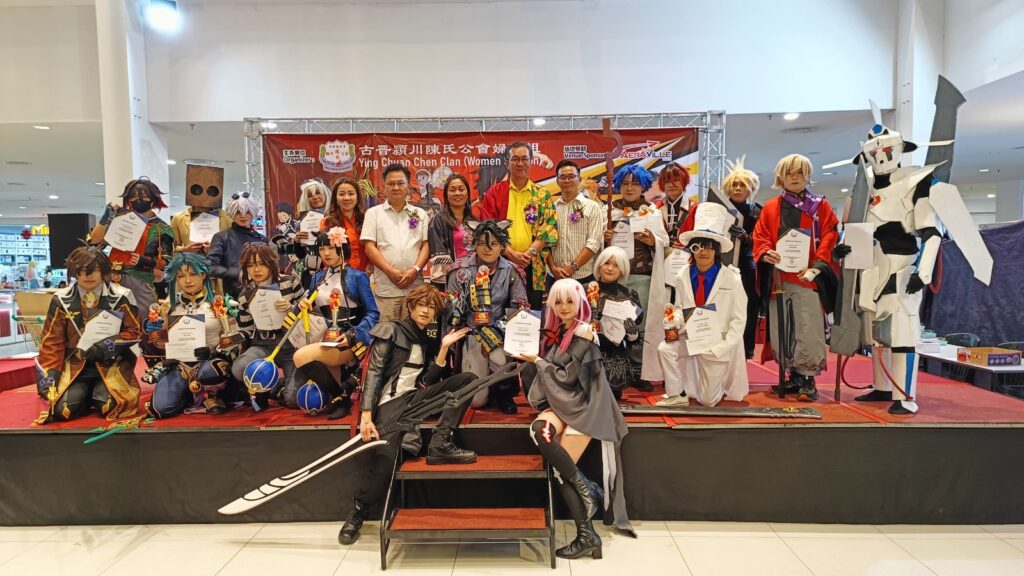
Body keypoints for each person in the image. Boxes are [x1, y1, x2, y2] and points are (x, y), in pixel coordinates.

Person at [338, 285, 478, 545]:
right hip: (390, 404)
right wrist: (366, 416)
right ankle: (358, 512)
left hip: (414, 400)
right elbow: (374, 373)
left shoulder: (427, 338)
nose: (426, 310)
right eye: (421, 305)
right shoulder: (391, 331)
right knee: (385, 459)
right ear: (411, 306)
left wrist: (444, 348)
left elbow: (425, 382)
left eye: (431, 307)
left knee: (468, 380)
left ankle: (441, 441)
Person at [516, 278, 634, 560]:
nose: (564, 307)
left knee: (560, 470)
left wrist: (537, 362)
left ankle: (587, 536)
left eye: (570, 301)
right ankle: (587, 488)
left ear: (580, 302)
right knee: (539, 429)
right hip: (566, 403)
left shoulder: (583, 333)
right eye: (558, 301)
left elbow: (567, 378)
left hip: (587, 407)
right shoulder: (563, 330)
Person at [752, 154, 839, 402]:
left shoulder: (820, 207)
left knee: (807, 327)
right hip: (779, 278)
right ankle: (793, 375)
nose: (794, 177)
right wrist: (764, 252)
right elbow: (761, 235)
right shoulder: (771, 207)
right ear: (781, 177)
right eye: (789, 173)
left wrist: (816, 266)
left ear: (807, 176)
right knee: (783, 328)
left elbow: (830, 235)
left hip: (807, 278)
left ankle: (807, 379)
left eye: (799, 172)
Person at [658, 202, 749, 407]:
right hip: (691, 337)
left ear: (717, 250)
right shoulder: (683, 275)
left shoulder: (732, 279)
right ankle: (677, 393)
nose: (703, 252)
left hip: (716, 344)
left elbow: (739, 320)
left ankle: (717, 385)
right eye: (697, 247)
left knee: (708, 401)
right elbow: (680, 307)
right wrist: (674, 319)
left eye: (709, 247)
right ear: (692, 250)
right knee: (665, 349)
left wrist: (721, 348)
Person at [35, 247, 141, 423]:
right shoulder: (61, 299)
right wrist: (50, 377)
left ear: (104, 271)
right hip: (75, 367)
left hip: (111, 365)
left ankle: (95, 396)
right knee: (63, 412)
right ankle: (86, 397)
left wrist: (106, 346)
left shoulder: (121, 296)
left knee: (110, 407)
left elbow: (135, 332)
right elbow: (52, 341)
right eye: (82, 270)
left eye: (95, 269)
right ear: (74, 271)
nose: (88, 275)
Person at [287, 228, 379, 418]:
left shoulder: (357, 277)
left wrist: (354, 334)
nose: (326, 253)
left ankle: (341, 397)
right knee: (307, 400)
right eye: (321, 249)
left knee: (300, 357)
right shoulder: (317, 278)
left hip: (347, 340)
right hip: (321, 336)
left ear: (341, 248)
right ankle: (340, 393)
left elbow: (373, 313)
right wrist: (302, 305)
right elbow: (306, 309)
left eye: (330, 247)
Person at [445, 220, 528, 413]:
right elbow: (451, 310)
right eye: (482, 243)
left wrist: (496, 333)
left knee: (499, 357)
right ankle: (483, 386)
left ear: (502, 246)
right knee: (476, 401)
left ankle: (503, 391)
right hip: (471, 332)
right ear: (474, 244)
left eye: (494, 243)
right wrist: (463, 304)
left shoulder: (513, 271)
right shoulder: (459, 270)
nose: (488, 248)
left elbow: (520, 309)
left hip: (500, 332)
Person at [144, 252, 240, 417]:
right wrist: (154, 331)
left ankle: (215, 395)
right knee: (161, 409)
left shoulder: (219, 303)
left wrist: (214, 350)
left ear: (203, 275)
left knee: (209, 371)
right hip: (180, 365)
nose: (187, 281)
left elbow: (237, 338)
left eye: (193, 274)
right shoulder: (168, 306)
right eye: (181, 276)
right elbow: (161, 343)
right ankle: (189, 395)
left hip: (212, 362)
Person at [603, 164, 671, 389]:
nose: (629, 188)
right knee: (613, 323)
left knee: (638, 325)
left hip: (641, 276)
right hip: (614, 277)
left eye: (635, 183)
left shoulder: (651, 212)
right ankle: (615, 370)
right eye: (625, 183)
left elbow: (664, 242)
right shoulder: (609, 211)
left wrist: (653, 241)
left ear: (643, 186)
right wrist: (605, 237)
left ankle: (638, 371)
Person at [476, 141, 558, 309]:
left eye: (524, 159)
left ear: (531, 161)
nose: (520, 163)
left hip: (533, 264)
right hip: (502, 262)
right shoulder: (495, 192)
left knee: (531, 313)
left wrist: (529, 253)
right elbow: (488, 226)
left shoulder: (542, 194)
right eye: (515, 159)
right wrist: (509, 252)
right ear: (507, 163)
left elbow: (549, 227)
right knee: (501, 310)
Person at [231, 243, 305, 409]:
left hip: (290, 345)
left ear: (271, 263)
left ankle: (278, 387)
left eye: (261, 264)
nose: (256, 269)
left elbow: (310, 310)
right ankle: (264, 388)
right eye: (251, 265)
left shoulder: (290, 282)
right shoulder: (245, 295)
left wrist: (292, 308)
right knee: (240, 368)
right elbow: (246, 329)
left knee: (293, 400)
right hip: (262, 345)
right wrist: (230, 339)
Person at [90, 177, 175, 318]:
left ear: (153, 199)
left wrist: (144, 261)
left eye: (144, 196)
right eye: (133, 196)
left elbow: (167, 261)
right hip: (111, 277)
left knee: (145, 320)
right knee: (108, 320)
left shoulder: (162, 228)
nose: (138, 200)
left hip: (141, 279)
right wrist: (105, 218)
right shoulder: (119, 219)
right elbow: (94, 241)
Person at [361, 163, 429, 322]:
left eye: (400, 183)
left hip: (414, 289)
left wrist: (415, 269)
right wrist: (390, 271)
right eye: (391, 184)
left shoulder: (420, 213)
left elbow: (426, 245)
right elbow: (369, 247)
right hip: (386, 289)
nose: (396, 188)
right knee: (386, 333)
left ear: (408, 185)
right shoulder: (373, 214)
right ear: (384, 187)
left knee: (414, 332)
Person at [718, 156, 764, 359]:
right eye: (734, 184)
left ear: (750, 189)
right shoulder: (720, 210)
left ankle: (745, 350)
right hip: (721, 263)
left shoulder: (757, 212)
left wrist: (747, 238)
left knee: (747, 306)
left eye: (742, 185)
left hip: (747, 266)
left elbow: (764, 240)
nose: (737, 188)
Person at [586, 247, 645, 400]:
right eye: (606, 263)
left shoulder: (628, 295)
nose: (610, 268)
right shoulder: (584, 290)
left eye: (616, 265)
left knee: (612, 400)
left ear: (623, 270)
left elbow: (634, 339)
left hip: (615, 358)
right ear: (599, 264)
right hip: (587, 354)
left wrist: (633, 335)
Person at [548, 160, 605, 285]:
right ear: (557, 181)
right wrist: (552, 268)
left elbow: (594, 242)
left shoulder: (592, 207)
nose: (567, 180)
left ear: (579, 179)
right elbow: (545, 242)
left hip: (583, 276)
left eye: (571, 176)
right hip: (555, 276)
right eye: (563, 177)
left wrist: (573, 267)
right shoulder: (551, 208)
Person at [208, 192, 267, 298]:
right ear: (232, 213)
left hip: (264, 294)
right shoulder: (221, 237)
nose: (243, 216)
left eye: (247, 211)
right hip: (234, 297)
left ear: (253, 212)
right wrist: (238, 273)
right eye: (238, 212)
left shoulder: (262, 240)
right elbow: (210, 267)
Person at [427, 173, 477, 288]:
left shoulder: (474, 222)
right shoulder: (437, 221)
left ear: (468, 194)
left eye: (461, 189)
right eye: (452, 190)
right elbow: (439, 257)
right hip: (450, 282)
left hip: (474, 280)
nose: (457, 193)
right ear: (446, 194)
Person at [170, 164, 232, 254]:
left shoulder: (227, 218)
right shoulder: (178, 218)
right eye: (198, 190)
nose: (203, 196)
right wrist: (184, 249)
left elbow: (232, 247)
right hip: (189, 261)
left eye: (210, 191)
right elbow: (170, 247)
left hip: (216, 261)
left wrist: (216, 249)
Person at [285, 178, 333, 290]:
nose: (315, 197)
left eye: (318, 193)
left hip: (330, 274)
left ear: (325, 194)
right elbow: (301, 255)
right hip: (309, 276)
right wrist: (297, 241)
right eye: (310, 195)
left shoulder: (335, 218)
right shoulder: (302, 222)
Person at [322, 177, 368, 271]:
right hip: (340, 275)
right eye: (341, 194)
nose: (346, 198)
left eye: (351, 193)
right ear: (336, 198)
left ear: (357, 197)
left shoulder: (368, 219)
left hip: (368, 275)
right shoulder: (327, 222)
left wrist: (370, 266)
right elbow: (325, 253)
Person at [656, 162, 693, 235]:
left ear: (684, 181)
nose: (671, 185)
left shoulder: (695, 208)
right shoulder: (655, 208)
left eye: (675, 180)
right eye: (667, 181)